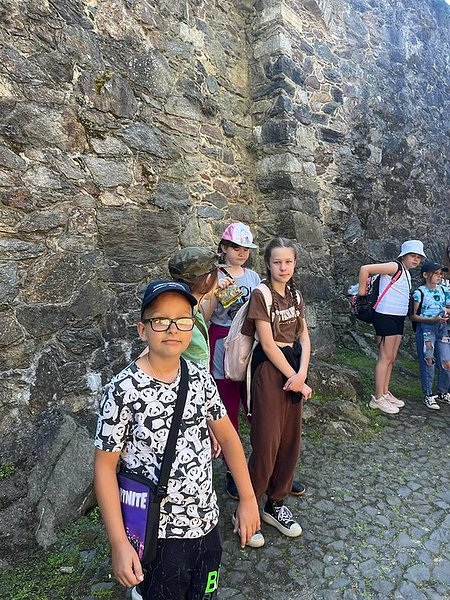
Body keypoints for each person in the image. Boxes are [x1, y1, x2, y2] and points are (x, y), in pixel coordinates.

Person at [94, 281, 261, 600]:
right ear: (142, 330)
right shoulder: (122, 391)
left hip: (206, 523)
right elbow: (104, 468)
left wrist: (248, 498)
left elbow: (227, 436)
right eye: (160, 320)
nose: (173, 329)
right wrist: (118, 542)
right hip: (158, 534)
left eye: (183, 319)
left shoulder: (199, 377)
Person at [241, 237, 312, 538]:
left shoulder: (295, 295)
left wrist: (302, 374)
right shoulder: (262, 295)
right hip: (270, 370)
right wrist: (294, 377)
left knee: (289, 440)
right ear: (268, 264)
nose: (283, 267)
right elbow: (268, 344)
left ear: (295, 264)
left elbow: (304, 336)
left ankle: (276, 503)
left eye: (288, 262)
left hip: (294, 367)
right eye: (277, 262)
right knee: (267, 441)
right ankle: (248, 507)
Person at [202, 222, 261, 500]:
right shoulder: (213, 276)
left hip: (248, 342)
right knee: (226, 406)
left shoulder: (254, 277)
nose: (242, 253)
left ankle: (262, 464)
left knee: (254, 404)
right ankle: (231, 470)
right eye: (236, 247)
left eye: (246, 248)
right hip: (222, 343)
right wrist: (215, 293)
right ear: (224, 248)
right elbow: (203, 316)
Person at [357, 240, 426, 414]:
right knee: (385, 357)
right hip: (385, 315)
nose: (416, 260)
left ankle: (385, 392)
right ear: (404, 255)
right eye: (413, 256)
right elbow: (365, 269)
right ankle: (378, 398)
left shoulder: (406, 272)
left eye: (419, 257)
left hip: (397, 317)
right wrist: (362, 296)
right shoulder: (394, 267)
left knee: (392, 357)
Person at [410, 262, 450, 409]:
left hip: (442, 328)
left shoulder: (444, 290)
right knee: (428, 361)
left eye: (441, 274)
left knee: (446, 361)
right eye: (436, 273)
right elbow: (413, 316)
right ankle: (428, 394)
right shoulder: (419, 293)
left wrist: (445, 314)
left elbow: (448, 307)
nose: (439, 276)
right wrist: (432, 319)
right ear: (425, 275)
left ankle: (443, 392)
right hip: (427, 329)